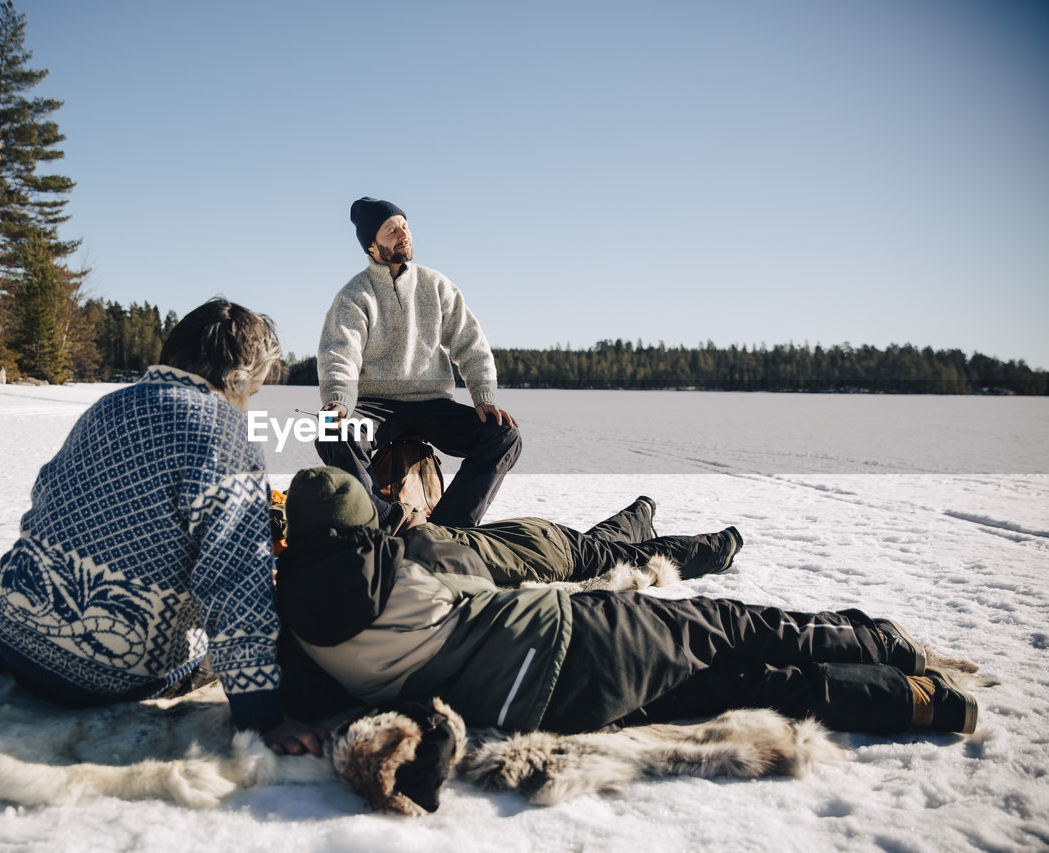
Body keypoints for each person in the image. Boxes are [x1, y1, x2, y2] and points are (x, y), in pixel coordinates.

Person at [273, 467, 979, 738]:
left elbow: (296, 695)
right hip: (580, 637)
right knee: (735, 628)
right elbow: (495, 571)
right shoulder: (414, 557)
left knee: (746, 691)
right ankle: (890, 646)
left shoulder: (299, 634)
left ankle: (923, 701)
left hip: (545, 710)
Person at [0, 298, 324, 756]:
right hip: (104, 674)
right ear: (237, 378)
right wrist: (261, 715)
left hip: (8, 639)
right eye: (255, 392)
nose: (248, 406)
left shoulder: (108, 407)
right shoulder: (226, 437)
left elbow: (46, 499)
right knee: (276, 623)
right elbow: (236, 582)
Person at [315, 197, 521, 529]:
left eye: (405, 226)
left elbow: (471, 343)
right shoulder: (355, 295)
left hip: (432, 403)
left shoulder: (437, 286)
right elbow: (341, 352)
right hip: (375, 405)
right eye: (391, 230)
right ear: (372, 244)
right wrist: (339, 400)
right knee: (329, 433)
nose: (403, 234)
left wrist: (484, 398)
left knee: (504, 436)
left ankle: (448, 529)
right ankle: (383, 520)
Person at [277, 467, 744, 588]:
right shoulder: (393, 537)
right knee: (601, 543)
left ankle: (721, 546)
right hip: (524, 535)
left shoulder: (399, 569)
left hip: (548, 556)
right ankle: (641, 510)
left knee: (636, 561)